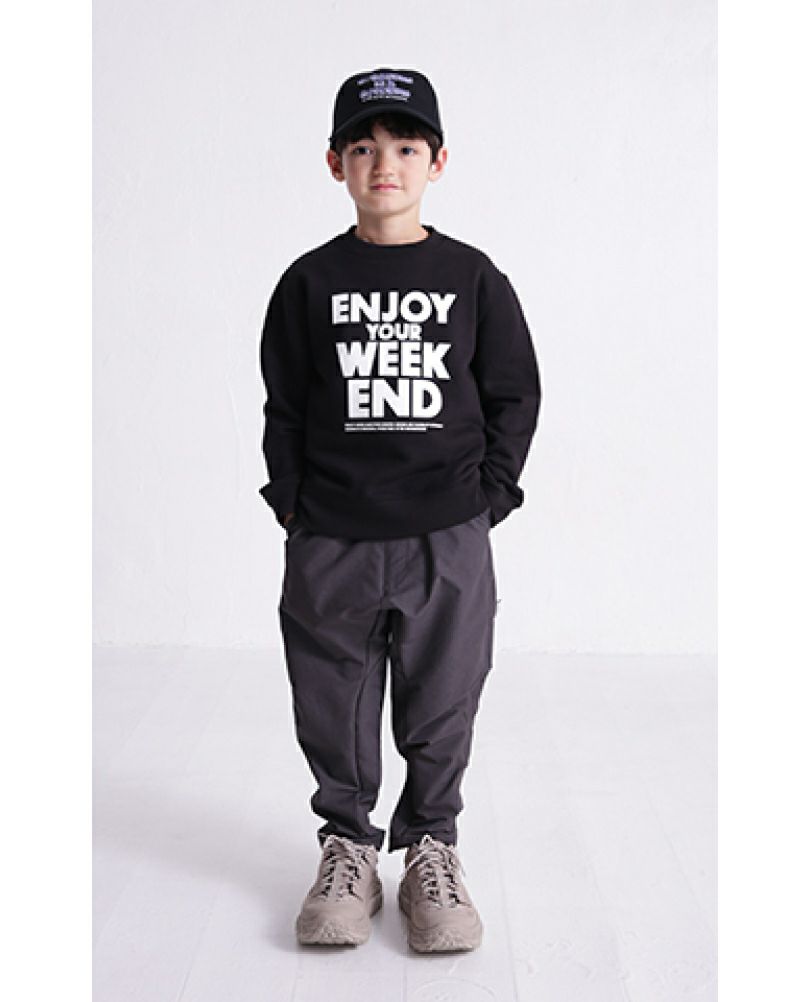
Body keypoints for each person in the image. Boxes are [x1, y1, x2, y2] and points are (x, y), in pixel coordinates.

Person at [257, 67, 542, 952]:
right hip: (333, 535)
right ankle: (347, 848)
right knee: (332, 698)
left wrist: (485, 499)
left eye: (407, 148)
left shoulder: (471, 277)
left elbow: (513, 393)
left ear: (437, 161)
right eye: (365, 148)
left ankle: (431, 851)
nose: (386, 165)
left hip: (444, 536)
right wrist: (294, 505)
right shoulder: (309, 281)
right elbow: (285, 404)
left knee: (443, 698)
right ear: (335, 163)